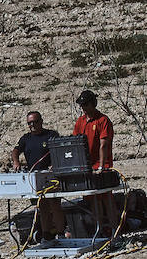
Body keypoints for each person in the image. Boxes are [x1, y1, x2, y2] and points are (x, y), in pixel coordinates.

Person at [72, 90, 119, 236]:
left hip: (101, 165)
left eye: (85, 104)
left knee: (106, 198)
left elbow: (103, 144)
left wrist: (101, 166)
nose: (83, 108)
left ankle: (114, 230)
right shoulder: (81, 121)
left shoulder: (103, 120)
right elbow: (75, 142)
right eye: (81, 105)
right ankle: (99, 230)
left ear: (93, 104)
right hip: (86, 165)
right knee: (93, 200)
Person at [11, 110, 64, 240]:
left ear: (41, 121)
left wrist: (55, 163)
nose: (32, 125)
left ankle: (61, 233)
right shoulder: (25, 138)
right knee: (42, 206)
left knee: (55, 205)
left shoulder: (51, 135)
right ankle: (47, 234)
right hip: (35, 177)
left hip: (51, 176)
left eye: (35, 122)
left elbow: (60, 149)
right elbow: (15, 150)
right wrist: (16, 161)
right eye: (29, 123)